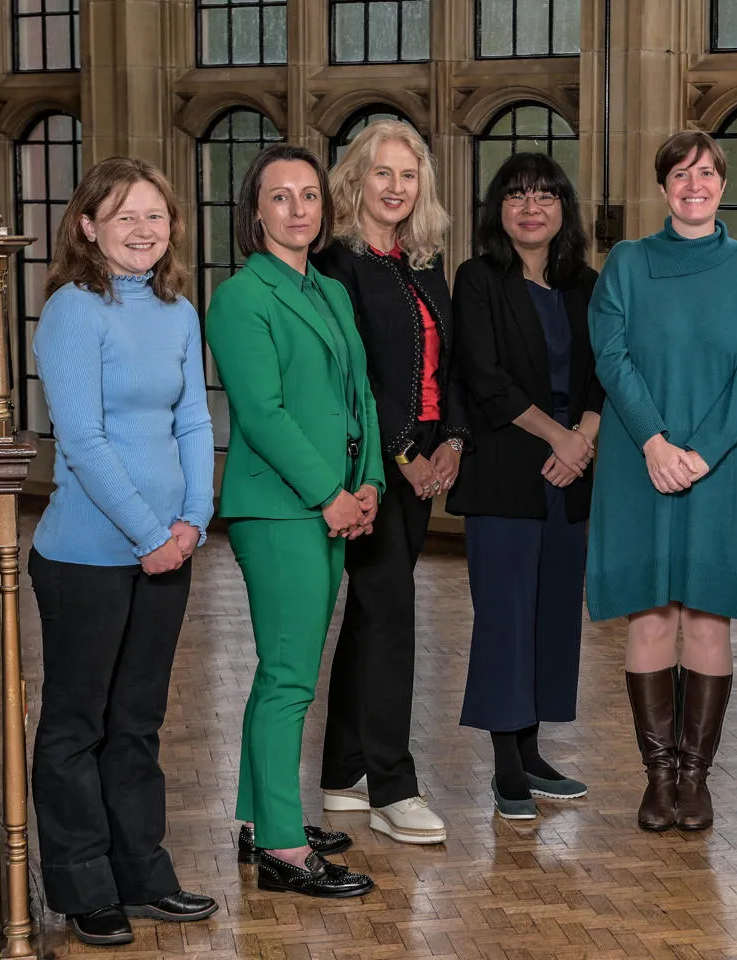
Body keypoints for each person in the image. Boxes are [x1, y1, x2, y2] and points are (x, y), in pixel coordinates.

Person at [28, 157, 217, 946]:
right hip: (86, 556)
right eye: (125, 216)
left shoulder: (177, 311)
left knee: (138, 720)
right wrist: (148, 533)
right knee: (78, 723)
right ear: (88, 227)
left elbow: (195, 421)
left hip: (169, 549)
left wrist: (194, 521)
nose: (144, 230)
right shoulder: (73, 309)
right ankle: (81, 885)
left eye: (155, 216)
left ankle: (141, 871)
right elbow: (82, 437)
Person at [589, 131, 737, 832]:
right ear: (663, 185)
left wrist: (699, 452)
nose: (693, 185)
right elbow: (610, 357)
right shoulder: (628, 263)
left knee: (706, 614)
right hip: (640, 463)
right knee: (651, 614)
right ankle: (657, 775)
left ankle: (694, 779)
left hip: (721, 466)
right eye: (680, 174)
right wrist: (655, 441)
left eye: (706, 173)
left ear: (722, 184)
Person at [207, 143, 384, 898]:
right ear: (255, 212)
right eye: (281, 197)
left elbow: (362, 397)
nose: (298, 209)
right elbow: (263, 414)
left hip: (336, 502)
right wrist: (327, 494)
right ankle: (283, 847)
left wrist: (370, 478)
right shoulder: (240, 298)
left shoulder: (331, 292)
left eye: (308, 195)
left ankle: (262, 817)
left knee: (283, 671)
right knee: (289, 680)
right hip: (279, 509)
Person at [312, 120, 462, 844]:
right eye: (383, 174)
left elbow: (448, 361)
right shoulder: (337, 264)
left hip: (427, 463)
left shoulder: (422, 261)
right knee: (391, 613)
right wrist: (404, 454)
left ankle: (342, 770)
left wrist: (454, 438)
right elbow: (359, 376)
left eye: (408, 176)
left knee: (372, 616)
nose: (396, 188)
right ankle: (393, 788)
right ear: (356, 181)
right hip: (375, 467)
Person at [448, 152, 601, 820]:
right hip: (508, 470)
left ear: (564, 208)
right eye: (515, 195)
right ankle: (506, 766)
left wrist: (585, 438)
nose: (530, 206)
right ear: (497, 211)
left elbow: (605, 373)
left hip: (571, 477)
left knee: (552, 617)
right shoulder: (477, 279)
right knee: (506, 618)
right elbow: (483, 375)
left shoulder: (587, 286)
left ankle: (534, 752)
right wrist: (559, 436)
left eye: (544, 194)